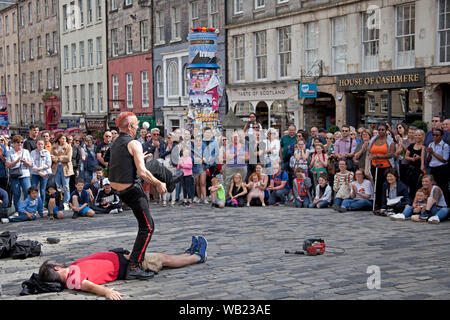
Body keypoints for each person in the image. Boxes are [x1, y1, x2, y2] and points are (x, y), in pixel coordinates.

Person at [37, 236, 208, 300]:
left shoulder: (71, 271)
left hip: (122, 258)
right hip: (127, 265)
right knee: (163, 259)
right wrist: (107, 292)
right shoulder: (72, 280)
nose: (58, 263)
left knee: (162, 257)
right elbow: (88, 286)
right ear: (56, 269)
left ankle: (187, 254)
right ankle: (197, 257)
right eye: (55, 264)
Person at [109, 111, 167, 280]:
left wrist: (140, 157)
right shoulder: (134, 143)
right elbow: (141, 172)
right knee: (147, 227)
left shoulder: (116, 142)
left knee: (154, 165)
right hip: (132, 190)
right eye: (136, 124)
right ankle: (134, 266)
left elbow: (121, 164)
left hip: (121, 190)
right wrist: (157, 183)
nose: (138, 126)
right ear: (130, 126)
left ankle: (170, 181)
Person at [368, 123, 396, 211]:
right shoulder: (373, 139)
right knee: (377, 185)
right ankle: (377, 204)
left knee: (384, 185)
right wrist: (372, 156)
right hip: (374, 165)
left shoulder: (390, 141)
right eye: (379, 130)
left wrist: (379, 157)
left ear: (386, 130)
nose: (381, 131)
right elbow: (369, 150)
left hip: (386, 166)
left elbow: (391, 154)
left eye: (382, 130)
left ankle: (385, 203)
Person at [6, 135, 33, 212]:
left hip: (25, 174)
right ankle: (18, 210)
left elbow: (31, 163)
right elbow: (7, 164)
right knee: (16, 193)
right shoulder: (10, 152)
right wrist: (16, 161)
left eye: (21, 142)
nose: (20, 144)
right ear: (14, 143)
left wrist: (25, 161)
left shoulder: (26, 151)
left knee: (27, 192)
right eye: (18, 142)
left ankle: (28, 209)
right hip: (14, 175)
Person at [426, 128, 449, 204]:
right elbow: (428, 159)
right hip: (433, 168)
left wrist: (433, 153)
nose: (435, 137)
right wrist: (429, 154)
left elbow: (444, 160)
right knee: (432, 187)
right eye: (433, 135)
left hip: (441, 169)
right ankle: (433, 203)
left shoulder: (445, 146)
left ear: (441, 136)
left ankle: (445, 204)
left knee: (442, 187)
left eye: (437, 135)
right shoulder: (431, 144)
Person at [51, 133, 73, 209]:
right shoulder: (54, 146)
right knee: (58, 185)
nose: (64, 140)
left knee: (66, 185)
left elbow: (68, 158)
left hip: (65, 168)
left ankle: (66, 202)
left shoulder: (68, 147)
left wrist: (58, 158)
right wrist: (59, 158)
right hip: (56, 167)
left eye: (65, 139)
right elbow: (51, 156)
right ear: (59, 139)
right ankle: (59, 200)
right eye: (62, 138)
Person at [403, 129, 425, 199]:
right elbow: (406, 157)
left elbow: (426, 158)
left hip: (420, 168)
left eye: (419, 135)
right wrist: (412, 159)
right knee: (411, 186)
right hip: (412, 169)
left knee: (419, 186)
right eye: (416, 135)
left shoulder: (425, 146)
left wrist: (419, 158)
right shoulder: (411, 146)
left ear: (423, 136)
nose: (417, 136)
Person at [30, 138, 52, 204]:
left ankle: (42, 204)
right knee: (33, 189)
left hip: (44, 173)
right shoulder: (33, 152)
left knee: (42, 190)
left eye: (42, 144)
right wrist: (38, 170)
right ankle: (33, 203)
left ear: (44, 145)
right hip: (35, 173)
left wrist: (40, 168)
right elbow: (32, 163)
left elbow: (48, 163)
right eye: (39, 144)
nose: (40, 145)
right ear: (36, 144)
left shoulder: (47, 152)